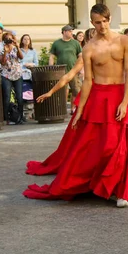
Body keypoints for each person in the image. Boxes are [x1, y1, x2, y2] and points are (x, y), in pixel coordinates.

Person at [24, 4, 128, 208]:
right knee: (103, 147)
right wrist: (79, 111)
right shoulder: (89, 48)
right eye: (97, 22)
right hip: (99, 98)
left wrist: (124, 102)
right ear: (92, 23)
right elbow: (88, 81)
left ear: (109, 19)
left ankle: (120, 190)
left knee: (123, 146)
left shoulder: (125, 41)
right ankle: (106, 186)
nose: (102, 25)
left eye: (104, 21)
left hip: (119, 94)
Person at [26, 28, 96, 176]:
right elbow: (68, 75)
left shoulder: (114, 49)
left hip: (108, 95)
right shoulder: (86, 53)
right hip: (91, 94)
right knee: (83, 131)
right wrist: (50, 92)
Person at [49, 25, 83, 113]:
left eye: (72, 31)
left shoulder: (75, 43)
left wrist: (81, 69)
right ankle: (62, 109)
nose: (71, 33)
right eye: (69, 31)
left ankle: (75, 109)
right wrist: (51, 68)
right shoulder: (57, 43)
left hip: (73, 70)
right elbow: (52, 56)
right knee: (62, 92)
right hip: (61, 72)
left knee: (76, 90)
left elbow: (80, 56)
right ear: (64, 32)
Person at [0, 32, 24, 124]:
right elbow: (2, 62)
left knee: (19, 96)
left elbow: (21, 57)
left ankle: (20, 117)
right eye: (7, 39)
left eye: (10, 39)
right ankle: (6, 118)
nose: (9, 41)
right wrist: (6, 51)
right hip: (6, 75)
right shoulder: (1, 50)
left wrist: (17, 47)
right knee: (6, 96)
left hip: (17, 74)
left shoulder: (15, 48)